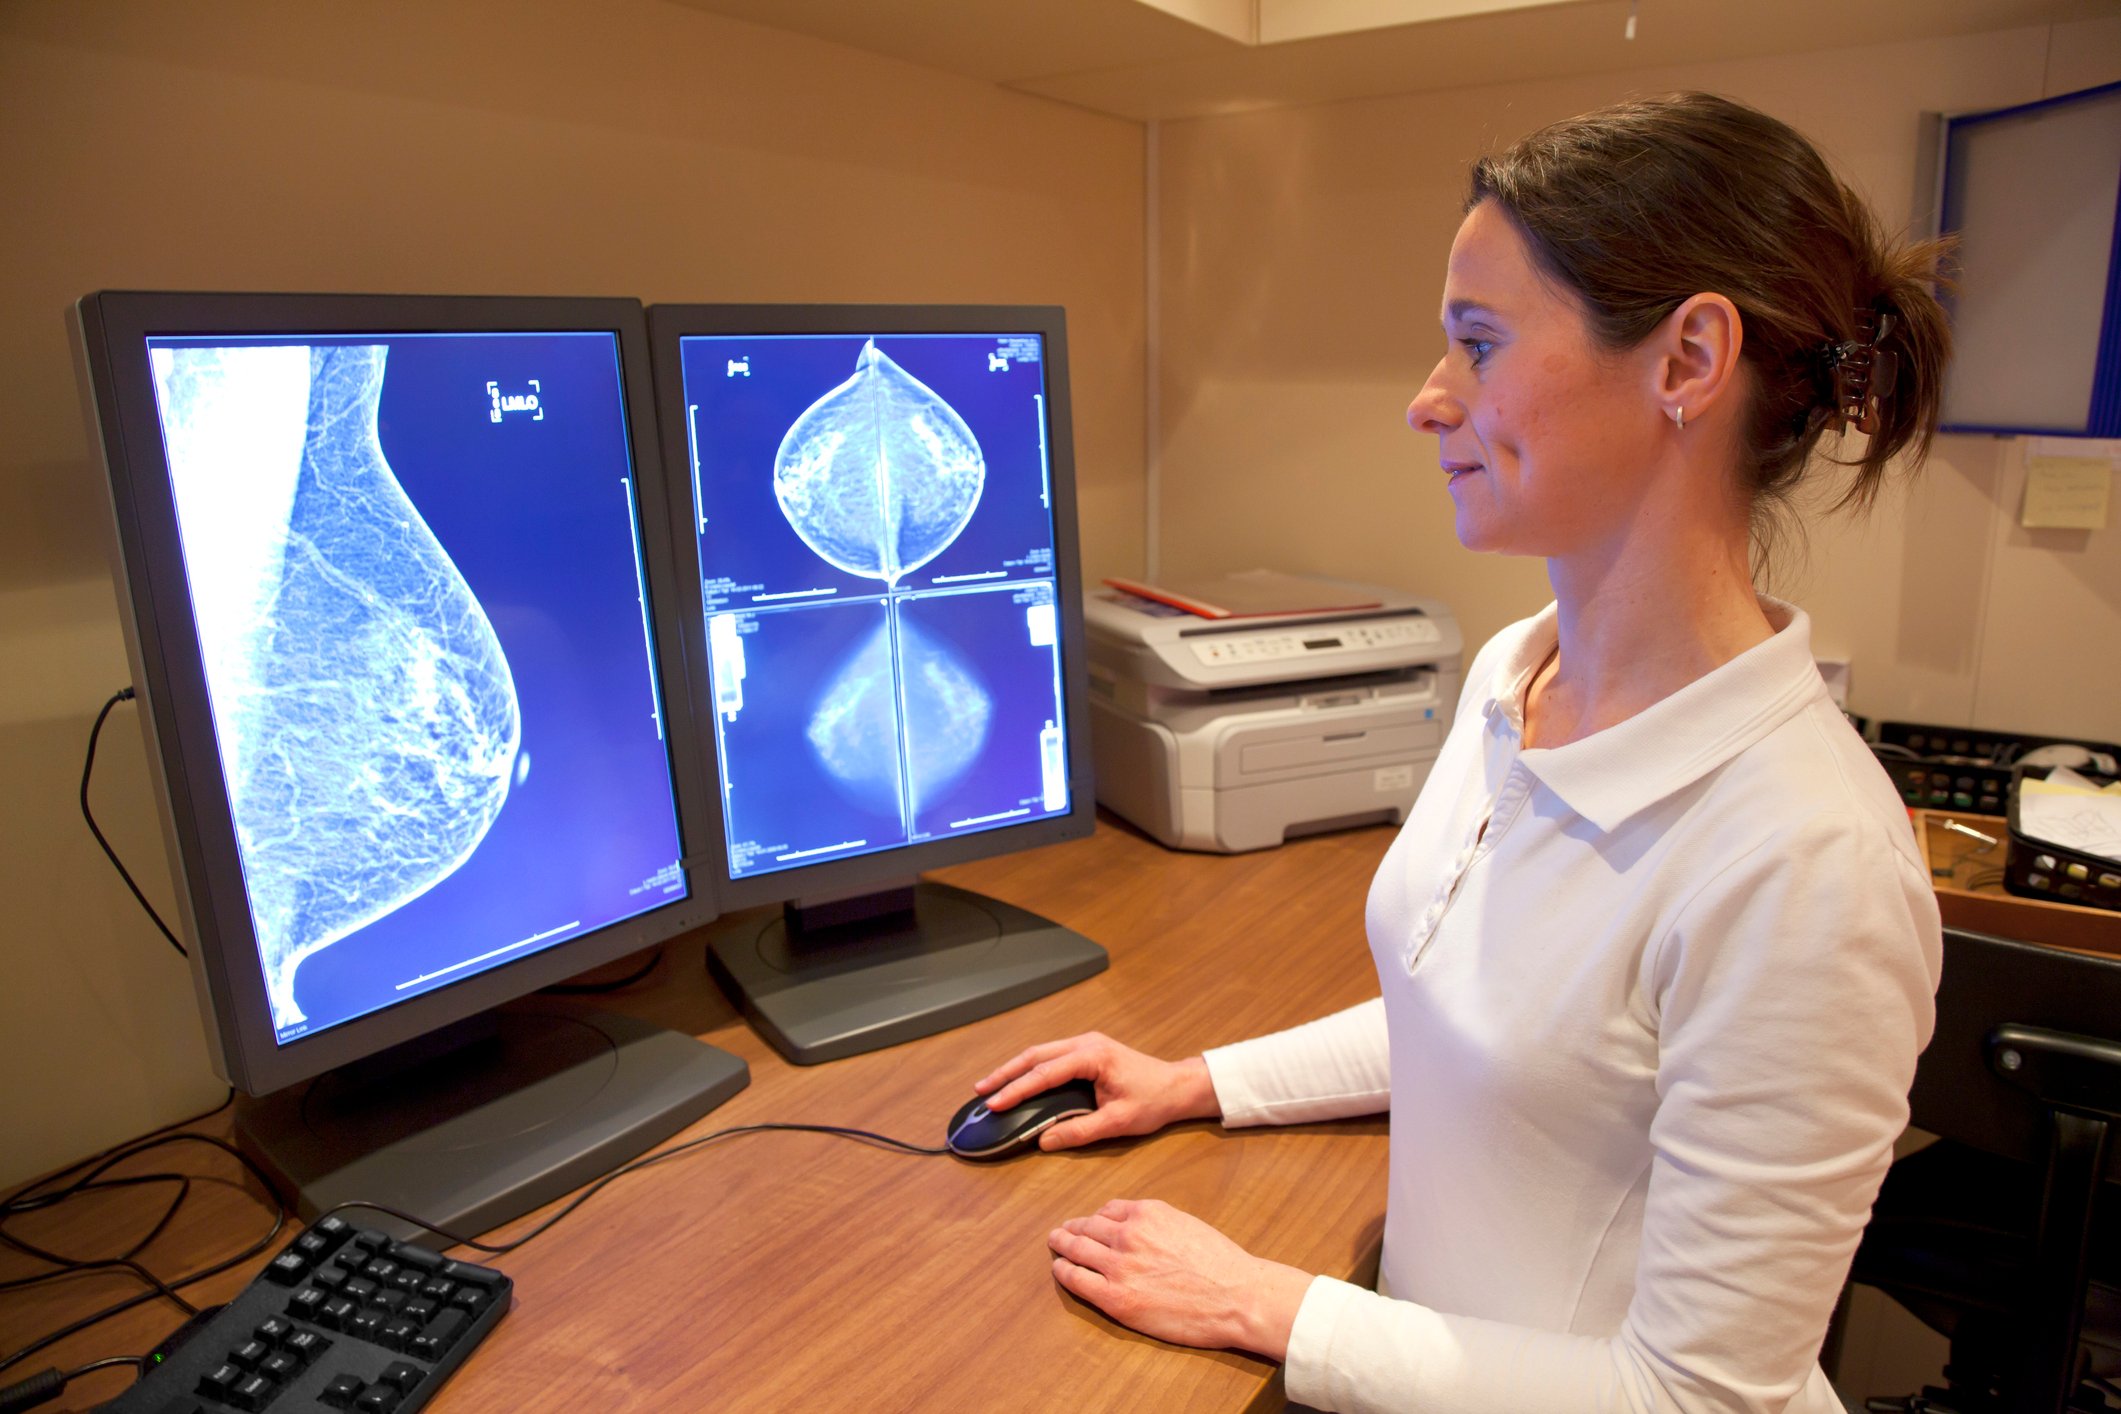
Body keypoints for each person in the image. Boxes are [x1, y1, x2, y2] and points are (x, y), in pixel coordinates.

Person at [973, 92, 1951, 1411]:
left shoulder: (1809, 862)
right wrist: (1195, 1082)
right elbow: (1480, 1025)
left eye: (1478, 345)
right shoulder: (1512, 674)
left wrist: (1266, 1304)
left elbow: (1698, 1397)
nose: (1427, 402)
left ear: (1686, 360)